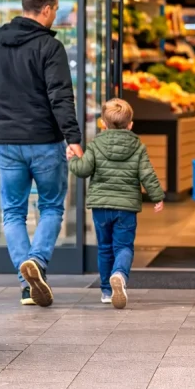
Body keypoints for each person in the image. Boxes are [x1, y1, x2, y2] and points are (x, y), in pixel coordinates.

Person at [0, 0, 83, 307]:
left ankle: (27, 284)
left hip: (7, 143)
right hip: (45, 142)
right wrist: (74, 138)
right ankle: (36, 261)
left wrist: (0, 126)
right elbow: (60, 97)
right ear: (48, 9)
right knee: (50, 205)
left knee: (12, 212)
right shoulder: (50, 48)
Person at [68, 98, 164, 309]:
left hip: (101, 207)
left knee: (104, 248)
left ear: (103, 123)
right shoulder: (138, 146)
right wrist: (157, 196)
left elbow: (83, 170)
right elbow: (147, 174)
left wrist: (73, 159)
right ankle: (119, 274)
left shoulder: (95, 144)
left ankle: (105, 290)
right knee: (123, 246)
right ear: (131, 124)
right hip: (126, 207)